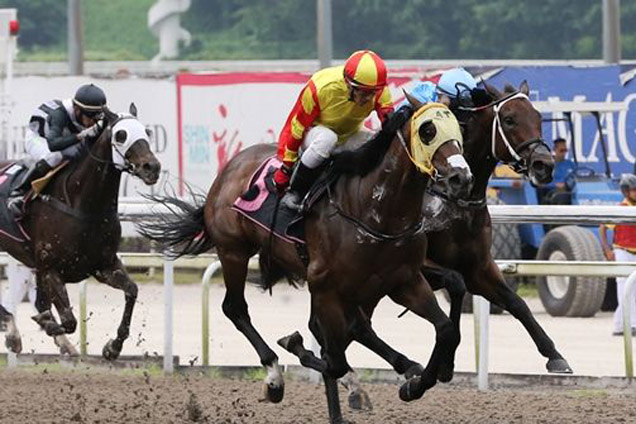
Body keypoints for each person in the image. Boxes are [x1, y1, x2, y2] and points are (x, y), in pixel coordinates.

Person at [274, 50, 394, 211]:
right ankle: (296, 192)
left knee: (376, 142)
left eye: (373, 93)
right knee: (327, 139)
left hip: (349, 135)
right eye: (363, 92)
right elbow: (297, 128)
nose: (368, 98)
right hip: (314, 134)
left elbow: (389, 124)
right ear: (348, 84)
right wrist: (286, 167)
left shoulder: (379, 90)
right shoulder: (320, 87)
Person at [7, 83, 107, 215]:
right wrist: (81, 135)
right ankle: (18, 192)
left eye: (96, 118)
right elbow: (53, 145)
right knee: (54, 156)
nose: (93, 123)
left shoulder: (86, 115)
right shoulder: (59, 114)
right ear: (77, 109)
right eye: (90, 117)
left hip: (63, 138)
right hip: (39, 139)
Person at [599, 173, 636, 336]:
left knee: (632, 290)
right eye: (634, 190)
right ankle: (631, 324)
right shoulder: (621, 209)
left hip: (634, 252)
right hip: (622, 251)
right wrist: (607, 250)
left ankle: (619, 325)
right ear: (626, 191)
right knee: (623, 289)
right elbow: (603, 227)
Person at [538, 138, 575, 204]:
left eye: (565, 150)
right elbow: (542, 183)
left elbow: (575, 177)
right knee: (562, 197)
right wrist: (555, 185)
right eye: (561, 150)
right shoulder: (548, 164)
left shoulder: (570, 164)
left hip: (569, 191)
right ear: (555, 150)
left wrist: (567, 185)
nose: (564, 153)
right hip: (553, 193)